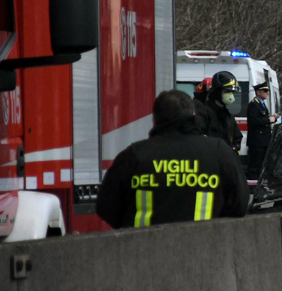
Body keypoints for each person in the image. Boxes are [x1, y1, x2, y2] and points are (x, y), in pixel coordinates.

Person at [96, 90, 248, 228]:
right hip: (203, 250)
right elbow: (239, 204)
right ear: (193, 116)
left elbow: (106, 206)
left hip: (143, 252)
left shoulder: (134, 156)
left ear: (155, 119)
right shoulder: (219, 153)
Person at [195, 70, 243, 153]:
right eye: (227, 91)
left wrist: (233, 149)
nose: (230, 95)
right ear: (217, 92)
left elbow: (237, 138)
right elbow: (197, 137)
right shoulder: (204, 113)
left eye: (232, 92)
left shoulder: (228, 116)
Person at [246, 82, 278, 180]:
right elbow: (254, 121)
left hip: (264, 140)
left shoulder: (262, 104)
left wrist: (273, 118)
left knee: (263, 164)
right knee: (255, 164)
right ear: (258, 92)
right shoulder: (253, 105)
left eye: (267, 91)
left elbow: (263, 118)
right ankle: (253, 185)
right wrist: (268, 120)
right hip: (257, 141)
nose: (267, 93)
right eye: (265, 91)